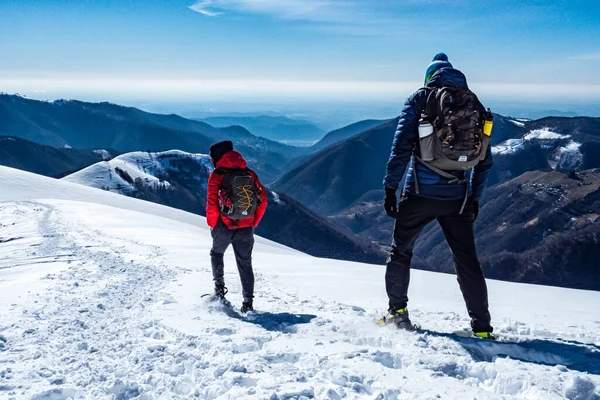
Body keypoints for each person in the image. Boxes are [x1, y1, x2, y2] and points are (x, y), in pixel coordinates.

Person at [382, 53, 495, 338]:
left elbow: (401, 147)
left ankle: (398, 313)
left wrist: (390, 187)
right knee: (467, 260)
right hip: (458, 198)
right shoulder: (474, 102)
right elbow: (484, 160)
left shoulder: (421, 98)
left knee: (400, 252)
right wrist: (474, 197)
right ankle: (481, 328)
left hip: (418, 193)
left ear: (428, 77)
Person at [206, 140, 268, 313]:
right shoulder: (249, 173)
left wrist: (213, 225)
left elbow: (212, 203)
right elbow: (264, 200)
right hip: (246, 227)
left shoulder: (217, 175)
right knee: (245, 263)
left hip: (223, 226)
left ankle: (219, 292)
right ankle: (248, 303)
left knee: (217, 253)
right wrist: (253, 222)